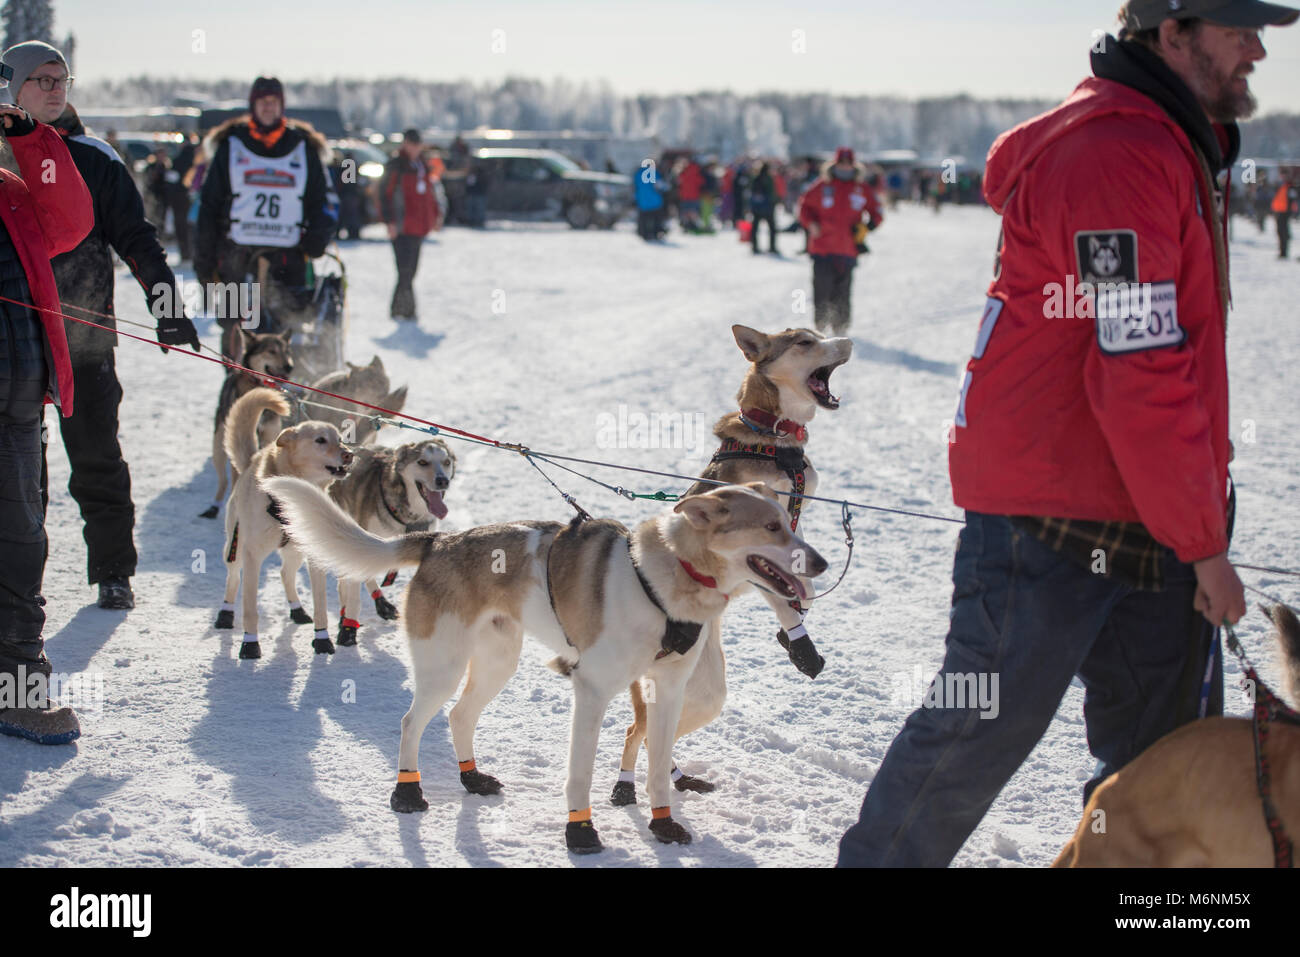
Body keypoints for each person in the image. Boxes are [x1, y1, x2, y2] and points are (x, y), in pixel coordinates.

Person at [837, 0, 1285, 868]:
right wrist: (1204, 544)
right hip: (1051, 510)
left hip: (1145, 504)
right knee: (977, 731)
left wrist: (1193, 520)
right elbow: (1138, 362)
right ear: (1175, 32)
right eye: (1240, 30)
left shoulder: (1168, 139)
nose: (1260, 49)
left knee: (1160, 774)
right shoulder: (1114, 154)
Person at [6, 41, 199, 612]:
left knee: (96, 457)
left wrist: (167, 306)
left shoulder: (95, 157)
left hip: (83, 336)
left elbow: (137, 240)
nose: (54, 88)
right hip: (14, 341)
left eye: (61, 78)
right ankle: (19, 585)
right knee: (18, 470)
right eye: (40, 79)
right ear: (11, 88)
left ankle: (113, 570)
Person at [0, 70, 94, 744]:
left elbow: (71, 221)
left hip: (16, 400)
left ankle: (19, 690)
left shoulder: (11, 193)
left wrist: (32, 139)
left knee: (23, 542)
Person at [194, 76, 336, 360]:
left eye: (274, 102)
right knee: (235, 332)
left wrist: (318, 236)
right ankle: (237, 389)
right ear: (253, 105)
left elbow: (324, 202)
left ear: (281, 105)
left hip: (288, 258)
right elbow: (208, 206)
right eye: (263, 102)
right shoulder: (231, 145)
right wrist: (204, 259)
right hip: (236, 257)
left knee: (285, 331)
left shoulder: (303, 147)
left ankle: (279, 396)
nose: (268, 108)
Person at [797, 147, 882, 334]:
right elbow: (804, 207)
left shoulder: (862, 189)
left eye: (848, 163)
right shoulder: (821, 186)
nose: (845, 167)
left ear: (854, 165)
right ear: (834, 165)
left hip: (848, 249)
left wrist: (867, 227)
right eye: (841, 163)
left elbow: (877, 212)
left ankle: (841, 329)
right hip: (822, 248)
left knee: (842, 293)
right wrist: (811, 224)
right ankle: (820, 327)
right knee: (822, 290)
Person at [380, 128, 439, 322]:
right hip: (401, 225)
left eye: (417, 144)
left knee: (411, 269)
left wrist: (435, 216)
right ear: (405, 144)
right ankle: (403, 309)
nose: (414, 148)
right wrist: (389, 221)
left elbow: (430, 195)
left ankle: (403, 309)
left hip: (418, 225)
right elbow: (384, 194)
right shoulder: (396, 165)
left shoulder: (422, 165)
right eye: (411, 144)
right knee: (404, 269)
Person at [748, 161, 778, 254]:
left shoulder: (755, 178)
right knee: (772, 228)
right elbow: (772, 193)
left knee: (755, 228)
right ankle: (772, 247)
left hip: (757, 207)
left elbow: (751, 192)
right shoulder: (769, 179)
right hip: (768, 207)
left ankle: (754, 246)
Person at [1270, 171, 1297, 257]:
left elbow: (1292, 199)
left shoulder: (1290, 187)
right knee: (1280, 231)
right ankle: (1282, 251)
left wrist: (1290, 211)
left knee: (1283, 232)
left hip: (1285, 212)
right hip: (1279, 211)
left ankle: (1284, 252)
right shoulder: (1281, 186)